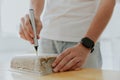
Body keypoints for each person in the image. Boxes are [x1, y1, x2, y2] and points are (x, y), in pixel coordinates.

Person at [19, 0, 115, 72]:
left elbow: (109, 1)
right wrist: (34, 15)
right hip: (47, 40)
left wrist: (87, 44)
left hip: (83, 44)